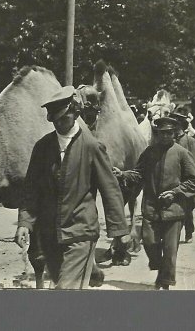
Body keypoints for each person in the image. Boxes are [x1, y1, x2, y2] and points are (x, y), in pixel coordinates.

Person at [15, 86, 130, 290]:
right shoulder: (42, 148)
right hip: (51, 236)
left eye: (64, 119)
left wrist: (120, 230)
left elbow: (110, 190)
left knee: (64, 290)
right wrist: (25, 222)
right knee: (66, 288)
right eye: (55, 120)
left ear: (76, 113)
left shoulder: (92, 147)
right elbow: (30, 189)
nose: (59, 124)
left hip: (80, 233)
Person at [115, 117, 195, 289]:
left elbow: (193, 181)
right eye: (162, 133)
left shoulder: (182, 153)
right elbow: (138, 174)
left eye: (169, 133)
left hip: (174, 210)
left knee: (170, 250)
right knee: (149, 242)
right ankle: (161, 270)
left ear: (174, 134)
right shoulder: (149, 153)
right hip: (152, 208)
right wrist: (123, 174)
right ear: (157, 134)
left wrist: (175, 192)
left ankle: (165, 284)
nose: (165, 136)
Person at [169, 111, 195, 244]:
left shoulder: (189, 141)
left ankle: (189, 232)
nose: (174, 129)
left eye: (175, 126)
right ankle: (173, 234)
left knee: (187, 210)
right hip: (173, 181)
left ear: (181, 126)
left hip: (186, 181)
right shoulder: (170, 142)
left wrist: (194, 183)